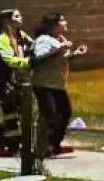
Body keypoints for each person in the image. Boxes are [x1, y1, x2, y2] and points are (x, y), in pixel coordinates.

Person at [30, 13, 87, 156]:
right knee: (49, 114)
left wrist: (74, 54)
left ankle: (53, 144)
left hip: (57, 84)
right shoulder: (44, 40)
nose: (66, 22)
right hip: (44, 84)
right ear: (53, 25)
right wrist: (59, 47)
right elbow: (39, 57)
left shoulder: (57, 39)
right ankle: (41, 147)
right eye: (62, 20)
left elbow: (57, 59)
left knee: (65, 112)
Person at [0, 9, 33, 155]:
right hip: (1, 81)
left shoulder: (21, 36)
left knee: (19, 111)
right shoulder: (3, 38)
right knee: (11, 112)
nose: (20, 18)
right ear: (6, 21)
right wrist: (28, 62)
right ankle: (13, 146)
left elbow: (34, 47)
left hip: (16, 80)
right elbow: (8, 59)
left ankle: (2, 134)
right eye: (16, 16)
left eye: (20, 15)